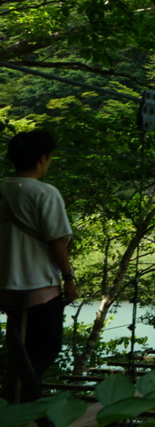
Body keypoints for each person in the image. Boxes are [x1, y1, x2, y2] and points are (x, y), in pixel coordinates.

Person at [1, 130, 76, 403]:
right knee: (45, 349)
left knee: (19, 349)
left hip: (3, 288)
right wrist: (68, 278)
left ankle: (16, 403)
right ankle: (24, 408)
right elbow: (57, 241)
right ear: (43, 158)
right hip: (38, 288)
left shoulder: (2, 188)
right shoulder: (45, 193)